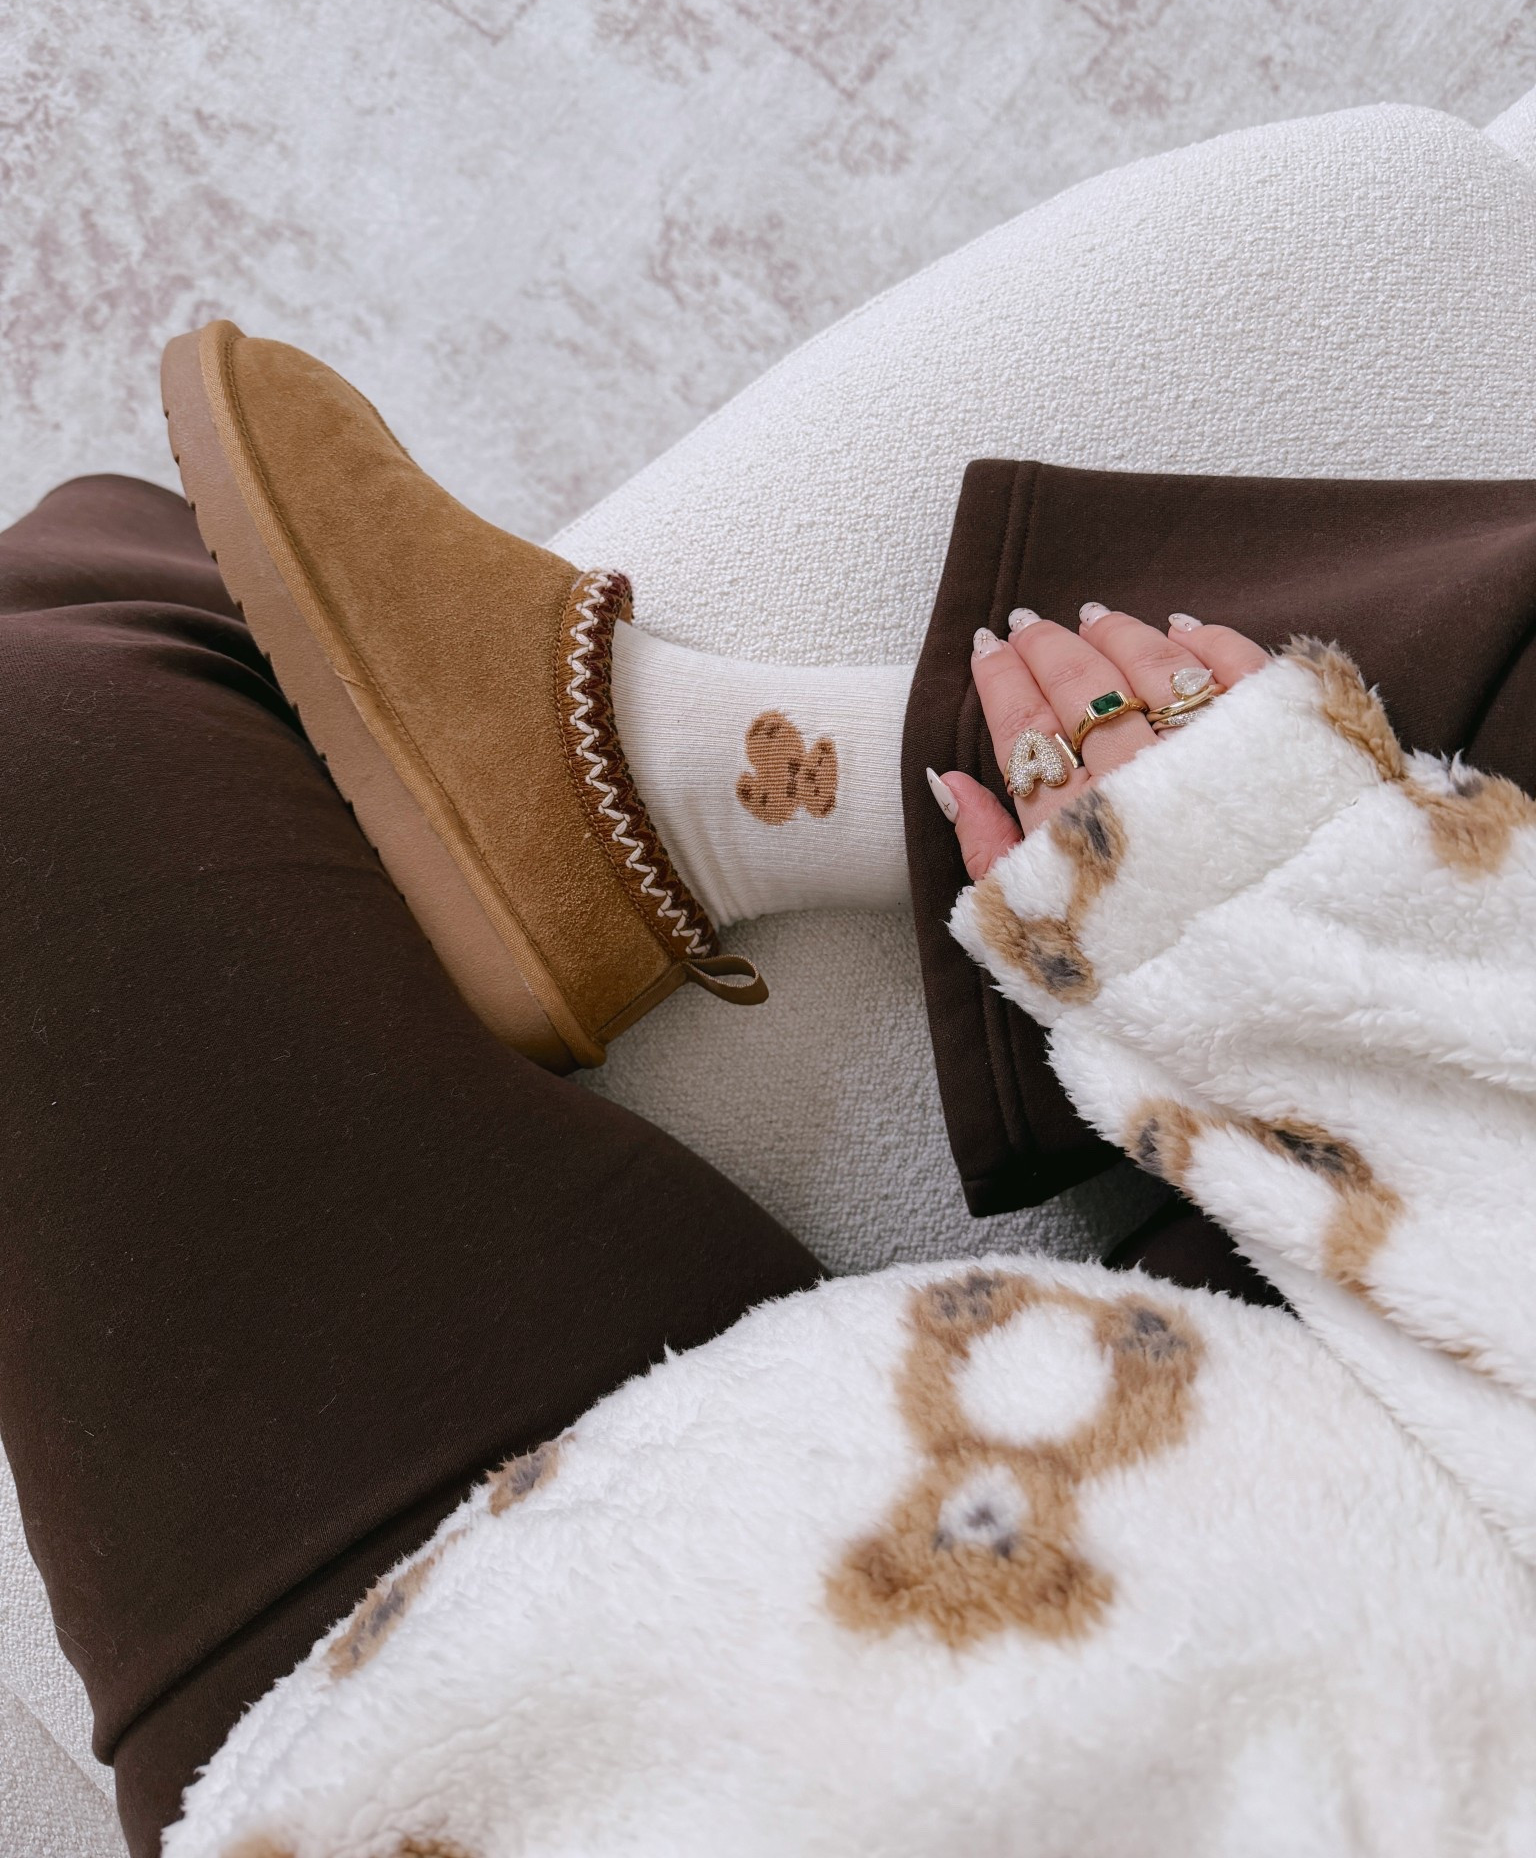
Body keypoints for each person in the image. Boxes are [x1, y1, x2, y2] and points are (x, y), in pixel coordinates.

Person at [2, 329, 1532, 1857]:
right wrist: (1278, 945)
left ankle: (698, 801)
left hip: (492, 1704)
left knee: (51, 666)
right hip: (1356, 1486)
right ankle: (715, 794)